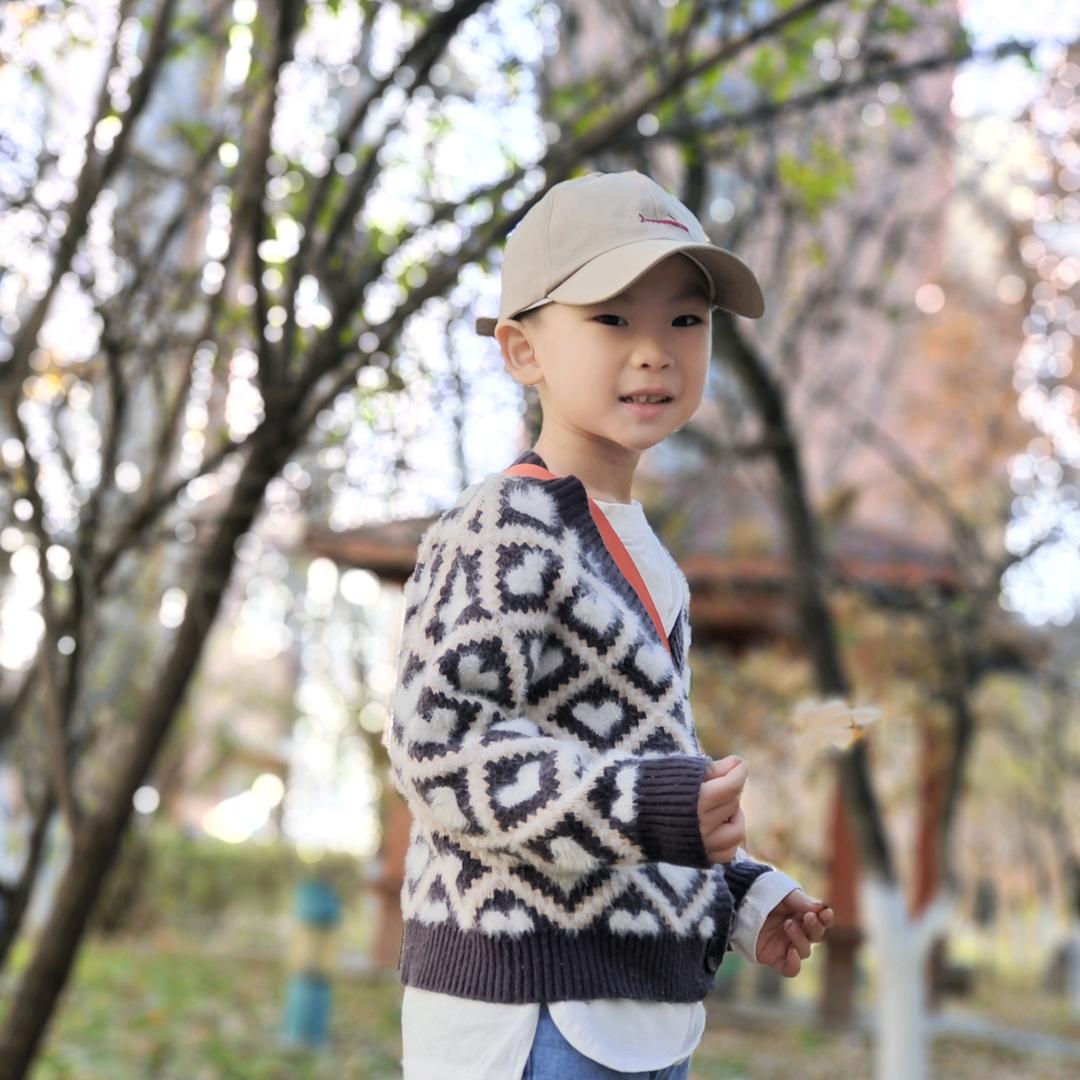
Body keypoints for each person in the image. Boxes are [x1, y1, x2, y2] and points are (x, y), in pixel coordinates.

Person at [384, 169, 834, 1079]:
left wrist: (741, 897)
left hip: (638, 1013)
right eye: (611, 318)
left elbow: (633, 770)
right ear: (522, 351)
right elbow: (438, 746)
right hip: (531, 1011)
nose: (655, 351)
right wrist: (653, 805)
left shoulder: (642, 550)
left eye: (685, 319)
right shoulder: (501, 528)